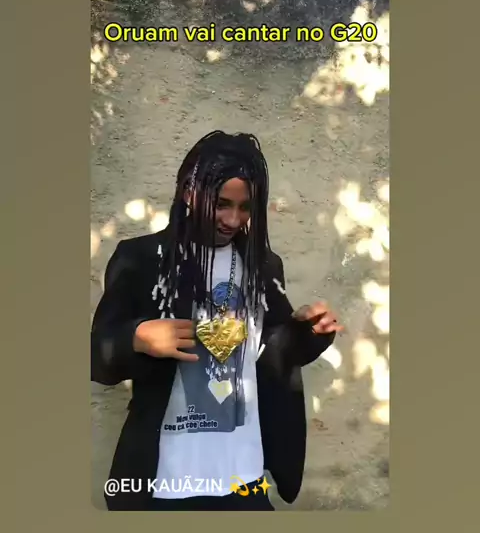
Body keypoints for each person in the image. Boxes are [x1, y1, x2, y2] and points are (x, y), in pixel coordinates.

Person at [91, 131, 342, 511]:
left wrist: (308, 333)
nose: (233, 219)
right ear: (188, 192)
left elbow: (272, 355)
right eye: (221, 204)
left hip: (244, 477)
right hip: (166, 481)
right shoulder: (141, 259)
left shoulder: (263, 265)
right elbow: (96, 357)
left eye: (245, 207)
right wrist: (136, 338)